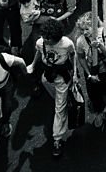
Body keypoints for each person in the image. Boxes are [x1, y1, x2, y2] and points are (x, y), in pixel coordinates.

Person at [27, 18, 77, 157]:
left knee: (59, 108)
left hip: (61, 77)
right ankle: (63, 102)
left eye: (48, 39)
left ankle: (57, 139)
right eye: (44, 38)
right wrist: (33, 64)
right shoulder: (40, 42)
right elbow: (38, 51)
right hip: (47, 76)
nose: (45, 41)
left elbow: (73, 57)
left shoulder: (67, 44)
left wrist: (75, 74)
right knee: (57, 99)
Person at [0, 38, 26, 140]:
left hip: (5, 87)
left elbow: (20, 61)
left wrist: (26, 72)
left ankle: (5, 123)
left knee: (6, 106)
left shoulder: (3, 59)